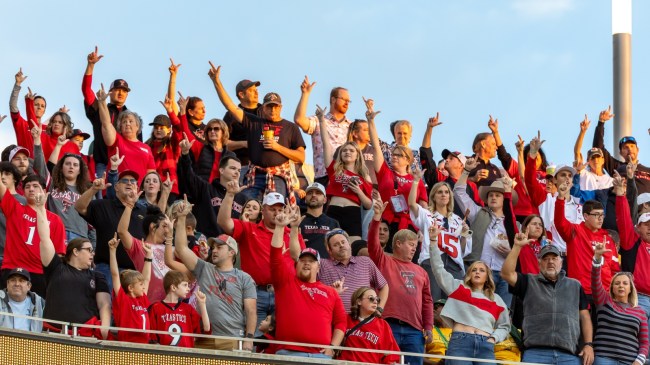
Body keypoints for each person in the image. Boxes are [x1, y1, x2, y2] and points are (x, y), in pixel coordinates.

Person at [209, 62, 306, 201]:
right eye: (269, 107)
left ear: (281, 107)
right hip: (253, 174)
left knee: (276, 209)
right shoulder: (254, 122)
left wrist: (277, 147)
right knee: (246, 207)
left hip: (278, 176)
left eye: (276, 107)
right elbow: (230, 106)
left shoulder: (290, 127)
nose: (273, 110)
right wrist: (216, 81)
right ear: (264, 108)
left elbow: (301, 157)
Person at [218, 184, 305, 333]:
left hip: (285, 293)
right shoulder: (249, 228)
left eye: (280, 209)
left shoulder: (292, 233)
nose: (277, 213)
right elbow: (223, 222)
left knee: (283, 338)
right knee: (254, 341)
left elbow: (299, 259)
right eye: (272, 209)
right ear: (263, 210)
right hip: (255, 293)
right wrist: (230, 195)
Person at [174, 197, 256, 351]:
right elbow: (181, 249)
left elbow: (251, 311)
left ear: (232, 252)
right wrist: (182, 218)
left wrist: (249, 338)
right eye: (214, 247)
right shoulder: (204, 268)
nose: (215, 250)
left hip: (232, 338)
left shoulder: (244, 278)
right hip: (204, 336)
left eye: (220, 247)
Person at [501, 236, 594, 365]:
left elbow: (584, 316)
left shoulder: (575, 285)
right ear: (539, 263)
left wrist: (588, 344)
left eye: (554, 258)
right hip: (535, 352)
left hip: (569, 354)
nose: (550, 262)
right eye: (545, 258)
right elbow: (506, 274)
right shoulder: (528, 281)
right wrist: (517, 246)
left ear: (561, 262)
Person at [428, 224, 511, 364]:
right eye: (474, 270)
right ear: (469, 274)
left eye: (481, 270)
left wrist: (493, 338)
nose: (477, 272)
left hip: (486, 346)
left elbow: (505, 326)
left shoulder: (496, 299)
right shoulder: (459, 288)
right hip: (460, 342)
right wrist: (433, 242)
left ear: (487, 277)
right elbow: (438, 270)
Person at [271, 211, 347, 359]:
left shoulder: (330, 292)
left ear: (318, 267)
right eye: (302, 260)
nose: (306, 263)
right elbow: (275, 257)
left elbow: (341, 322)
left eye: (311, 261)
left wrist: (333, 347)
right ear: (296, 264)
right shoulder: (285, 283)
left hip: (320, 356)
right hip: (288, 353)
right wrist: (280, 227)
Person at [368, 197, 434, 365]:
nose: (414, 248)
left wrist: (428, 327)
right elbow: (373, 245)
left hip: (415, 330)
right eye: (411, 244)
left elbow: (427, 302)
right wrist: (376, 218)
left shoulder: (421, 272)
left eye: (415, 245)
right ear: (398, 244)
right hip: (387, 324)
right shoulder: (384, 261)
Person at [38, 199, 111, 340]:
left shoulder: (97, 276)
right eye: (89, 250)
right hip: (53, 333)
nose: (93, 253)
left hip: (85, 335)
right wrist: (41, 208)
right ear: (76, 252)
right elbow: (44, 238)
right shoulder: (56, 267)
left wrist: (104, 329)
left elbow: (104, 304)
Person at [454, 157, 517, 306]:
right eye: (491, 195)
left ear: (504, 198)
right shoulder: (477, 212)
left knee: (502, 313)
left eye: (498, 195)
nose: (494, 197)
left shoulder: (514, 223)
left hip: (504, 274)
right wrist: (466, 171)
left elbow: (521, 252)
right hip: (479, 271)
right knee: (476, 310)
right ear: (487, 199)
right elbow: (458, 192)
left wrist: (511, 254)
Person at [368, 101, 427, 256]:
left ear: (408, 160)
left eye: (399, 155)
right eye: (393, 154)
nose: (394, 157)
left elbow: (423, 207)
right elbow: (375, 146)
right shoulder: (385, 172)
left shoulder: (417, 180)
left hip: (410, 226)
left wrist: (423, 229)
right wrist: (371, 120)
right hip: (387, 224)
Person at [76, 170, 147, 290]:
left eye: (132, 181)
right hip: (107, 269)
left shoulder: (144, 211)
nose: (129, 183)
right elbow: (79, 207)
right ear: (116, 187)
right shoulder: (103, 205)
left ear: (137, 187)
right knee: (107, 307)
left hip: (137, 272)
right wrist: (93, 189)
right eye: (124, 181)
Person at [410, 169, 472, 301]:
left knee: (456, 302)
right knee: (434, 301)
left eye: (446, 192)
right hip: (431, 260)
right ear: (433, 196)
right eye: (439, 192)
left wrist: (465, 235)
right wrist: (415, 181)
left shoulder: (458, 220)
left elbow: (462, 250)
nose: (443, 195)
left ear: (450, 196)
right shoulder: (427, 214)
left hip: (454, 263)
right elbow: (411, 204)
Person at [0, 174, 66, 296]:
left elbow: (59, 254)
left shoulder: (55, 220)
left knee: (36, 313)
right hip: (12, 270)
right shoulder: (15, 208)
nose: (31, 189)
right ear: (23, 193)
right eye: (27, 187)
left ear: (44, 191)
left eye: (35, 186)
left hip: (41, 274)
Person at [555, 181, 620, 299]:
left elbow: (614, 269)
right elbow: (559, 223)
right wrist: (560, 198)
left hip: (605, 293)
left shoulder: (608, 238)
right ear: (585, 216)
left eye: (602, 215)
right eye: (596, 215)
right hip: (581, 291)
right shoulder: (575, 231)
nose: (600, 219)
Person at [525, 132, 583, 261]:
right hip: (552, 257)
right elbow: (529, 181)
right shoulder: (545, 199)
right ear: (555, 180)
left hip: (577, 258)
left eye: (570, 175)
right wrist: (532, 155)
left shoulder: (580, 206)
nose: (567, 178)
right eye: (563, 175)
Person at [82, 46, 135, 178]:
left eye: (124, 90)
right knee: (100, 197)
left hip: (125, 165)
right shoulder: (101, 107)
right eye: (117, 89)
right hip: (103, 165)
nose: (120, 93)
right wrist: (90, 65)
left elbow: (136, 143)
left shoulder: (131, 117)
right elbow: (86, 90)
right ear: (110, 92)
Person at [177, 137, 246, 238]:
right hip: (206, 245)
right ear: (221, 170)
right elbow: (188, 176)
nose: (237, 172)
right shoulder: (205, 189)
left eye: (239, 170)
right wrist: (185, 154)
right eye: (233, 168)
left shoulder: (243, 199)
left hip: (232, 250)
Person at [591, 242, 648, 365]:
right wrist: (597, 259)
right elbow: (595, 281)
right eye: (617, 283)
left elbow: (644, 343)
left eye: (625, 283)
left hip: (630, 361)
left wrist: (639, 361)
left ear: (631, 288)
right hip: (604, 358)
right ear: (612, 288)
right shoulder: (604, 301)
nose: (621, 285)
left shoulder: (640, 311)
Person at [293, 77, 352, 186]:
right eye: (343, 99)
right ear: (333, 99)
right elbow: (299, 120)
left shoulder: (351, 126)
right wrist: (305, 94)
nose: (347, 103)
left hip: (346, 177)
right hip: (323, 176)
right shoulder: (318, 120)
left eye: (349, 101)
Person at [117, 192, 173, 303]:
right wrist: (130, 205)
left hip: (169, 309)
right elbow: (122, 231)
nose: (169, 230)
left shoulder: (171, 249)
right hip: (147, 305)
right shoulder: (139, 246)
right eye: (165, 226)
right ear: (153, 227)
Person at [318, 228, 389, 313]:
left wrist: (379, 309)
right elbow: (301, 262)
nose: (341, 245)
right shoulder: (322, 264)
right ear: (330, 251)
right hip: (334, 321)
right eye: (336, 244)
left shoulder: (365, 261)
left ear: (349, 244)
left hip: (362, 321)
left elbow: (384, 286)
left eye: (343, 242)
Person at [96, 85, 155, 184]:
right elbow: (106, 123)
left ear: (138, 126)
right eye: (124, 122)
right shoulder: (116, 140)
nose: (127, 123)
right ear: (120, 127)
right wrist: (102, 102)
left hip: (139, 195)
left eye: (131, 121)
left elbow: (151, 173)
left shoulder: (146, 148)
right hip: (117, 192)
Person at [615, 173, 650, 318]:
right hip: (638, 298)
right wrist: (620, 195)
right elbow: (623, 220)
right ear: (638, 227)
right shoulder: (632, 241)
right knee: (642, 340)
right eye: (646, 225)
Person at [592, 106, 650, 194]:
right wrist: (601, 123)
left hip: (646, 207)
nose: (629, 149)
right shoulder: (617, 167)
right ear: (620, 153)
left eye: (631, 146)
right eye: (625, 147)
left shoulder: (647, 170)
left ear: (637, 150)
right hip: (625, 205)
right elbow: (598, 149)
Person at [337, 286, 401, 364]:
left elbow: (391, 355)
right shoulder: (345, 319)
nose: (375, 302)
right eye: (371, 298)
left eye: (377, 299)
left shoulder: (383, 325)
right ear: (359, 301)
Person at [148, 270, 211, 348]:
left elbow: (206, 329)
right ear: (173, 287)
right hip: (164, 357)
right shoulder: (156, 308)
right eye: (185, 285)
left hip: (185, 356)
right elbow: (152, 338)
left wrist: (202, 304)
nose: (188, 289)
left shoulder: (188, 309)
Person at [109, 233, 152, 344]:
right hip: (127, 345)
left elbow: (146, 278)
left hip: (145, 347)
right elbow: (114, 275)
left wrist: (149, 256)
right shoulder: (123, 300)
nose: (144, 286)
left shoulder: (142, 299)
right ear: (131, 288)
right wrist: (112, 251)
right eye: (140, 284)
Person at [223, 79, 261, 180]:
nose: (256, 92)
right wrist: (244, 143)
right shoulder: (231, 116)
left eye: (256, 89)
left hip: (266, 166)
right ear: (241, 94)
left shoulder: (266, 111)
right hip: (241, 168)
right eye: (252, 90)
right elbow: (222, 144)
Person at [145, 111, 181, 201]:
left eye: (162, 127)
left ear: (169, 129)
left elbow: (178, 129)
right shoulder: (147, 145)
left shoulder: (172, 144)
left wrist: (170, 112)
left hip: (169, 187)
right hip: (152, 187)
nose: (158, 130)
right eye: (156, 127)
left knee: (167, 215)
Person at [298, 182, 341, 258]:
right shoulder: (297, 222)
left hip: (327, 267)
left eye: (318, 193)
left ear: (325, 200)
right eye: (310, 193)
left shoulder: (333, 223)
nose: (313, 195)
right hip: (304, 266)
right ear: (305, 199)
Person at [0, 268, 45, 333]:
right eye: (13, 280)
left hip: (30, 342)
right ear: (7, 284)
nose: (17, 284)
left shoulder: (39, 302)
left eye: (21, 281)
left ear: (29, 286)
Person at [0, 162, 26, 268]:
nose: (2, 177)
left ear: (15, 178)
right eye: (0, 173)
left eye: (7, 174)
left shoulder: (25, 202)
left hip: (14, 258)